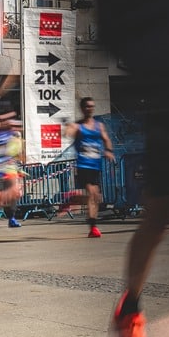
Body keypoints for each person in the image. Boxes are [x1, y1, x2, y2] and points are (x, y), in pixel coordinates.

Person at [63, 98, 115, 236]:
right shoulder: (78, 126)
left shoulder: (99, 126)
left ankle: (91, 226)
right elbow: (68, 132)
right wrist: (67, 128)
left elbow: (107, 139)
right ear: (82, 108)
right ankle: (93, 227)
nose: (90, 109)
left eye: (92, 106)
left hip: (95, 165)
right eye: (87, 106)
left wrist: (109, 151)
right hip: (83, 165)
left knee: (96, 197)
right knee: (92, 193)